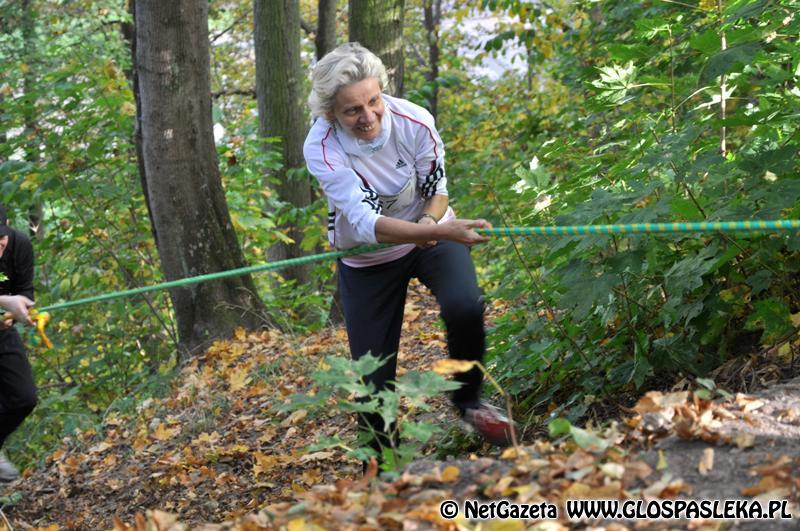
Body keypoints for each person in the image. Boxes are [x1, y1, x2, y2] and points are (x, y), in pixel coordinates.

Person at [303, 43, 513, 463]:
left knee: (465, 306)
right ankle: (382, 468)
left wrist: (432, 226)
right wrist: (430, 231)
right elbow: (368, 223)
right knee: (372, 374)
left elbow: (437, 189)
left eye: (374, 101)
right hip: (368, 257)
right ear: (331, 113)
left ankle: (470, 403)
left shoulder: (415, 120)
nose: (368, 116)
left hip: (432, 232)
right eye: (352, 110)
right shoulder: (322, 147)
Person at [0, 205, 37, 482]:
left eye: (0, 239)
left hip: (3, 331)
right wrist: (5, 302)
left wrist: (21, 310)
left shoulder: (20, 244)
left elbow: (25, 291)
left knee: (24, 397)